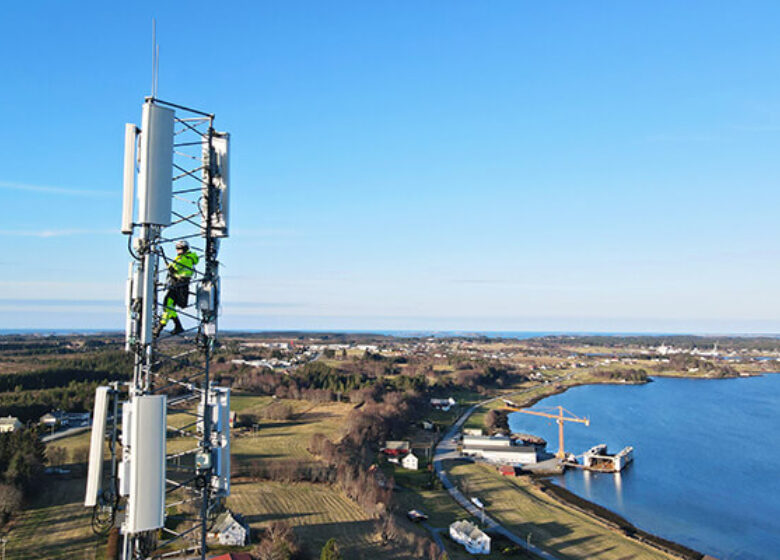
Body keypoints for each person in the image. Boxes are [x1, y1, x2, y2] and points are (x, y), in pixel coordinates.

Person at [154, 240, 199, 337]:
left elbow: (174, 269)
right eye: (177, 248)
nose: (178, 250)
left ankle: (161, 327)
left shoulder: (184, 259)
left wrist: (170, 267)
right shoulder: (187, 257)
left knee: (168, 305)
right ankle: (175, 326)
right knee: (169, 305)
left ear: (185, 249)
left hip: (179, 285)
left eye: (180, 248)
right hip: (179, 285)